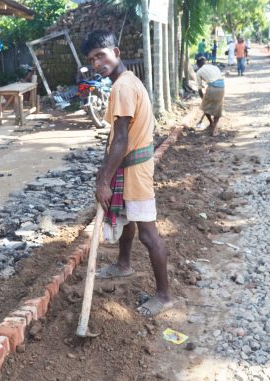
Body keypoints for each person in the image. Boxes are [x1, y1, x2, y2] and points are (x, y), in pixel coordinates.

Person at [81, 30, 172, 317]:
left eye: (101, 55)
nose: (97, 63)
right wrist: (104, 171)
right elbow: (119, 137)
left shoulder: (121, 87)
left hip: (136, 169)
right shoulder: (128, 81)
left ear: (116, 53)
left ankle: (164, 295)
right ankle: (123, 264)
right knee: (128, 220)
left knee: (148, 233)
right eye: (92, 59)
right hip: (131, 164)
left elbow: (121, 140)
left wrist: (104, 181)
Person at [195, 56, 225, 136]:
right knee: (218, 109)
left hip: (212, 87)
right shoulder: (214, 67)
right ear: (205, 62)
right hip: (222, 87)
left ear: (198, 65)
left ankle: (211, 123)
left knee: (205, 107)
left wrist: (203, 99)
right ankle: (215, 127)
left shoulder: (199, 71)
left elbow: (199, 88)